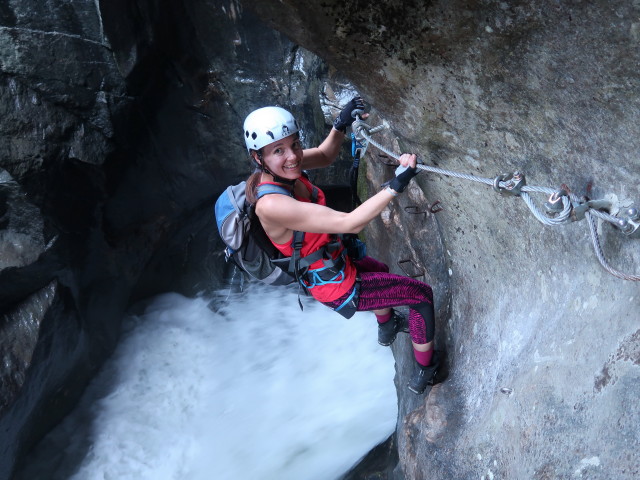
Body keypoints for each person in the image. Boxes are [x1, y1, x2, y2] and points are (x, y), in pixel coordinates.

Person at [242, 98, 440, 394]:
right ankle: (426, 370)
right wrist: (397, 184)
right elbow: (351, 224)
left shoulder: (285, 169)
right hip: (337, 285)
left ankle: (387, 328)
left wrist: (340, 125)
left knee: (380, 269)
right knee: (420, 296)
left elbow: (323, 155)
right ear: (259, 158)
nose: (292, 156)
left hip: (337, 262)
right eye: (278, 151)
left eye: (294, 144)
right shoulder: (271, 204)